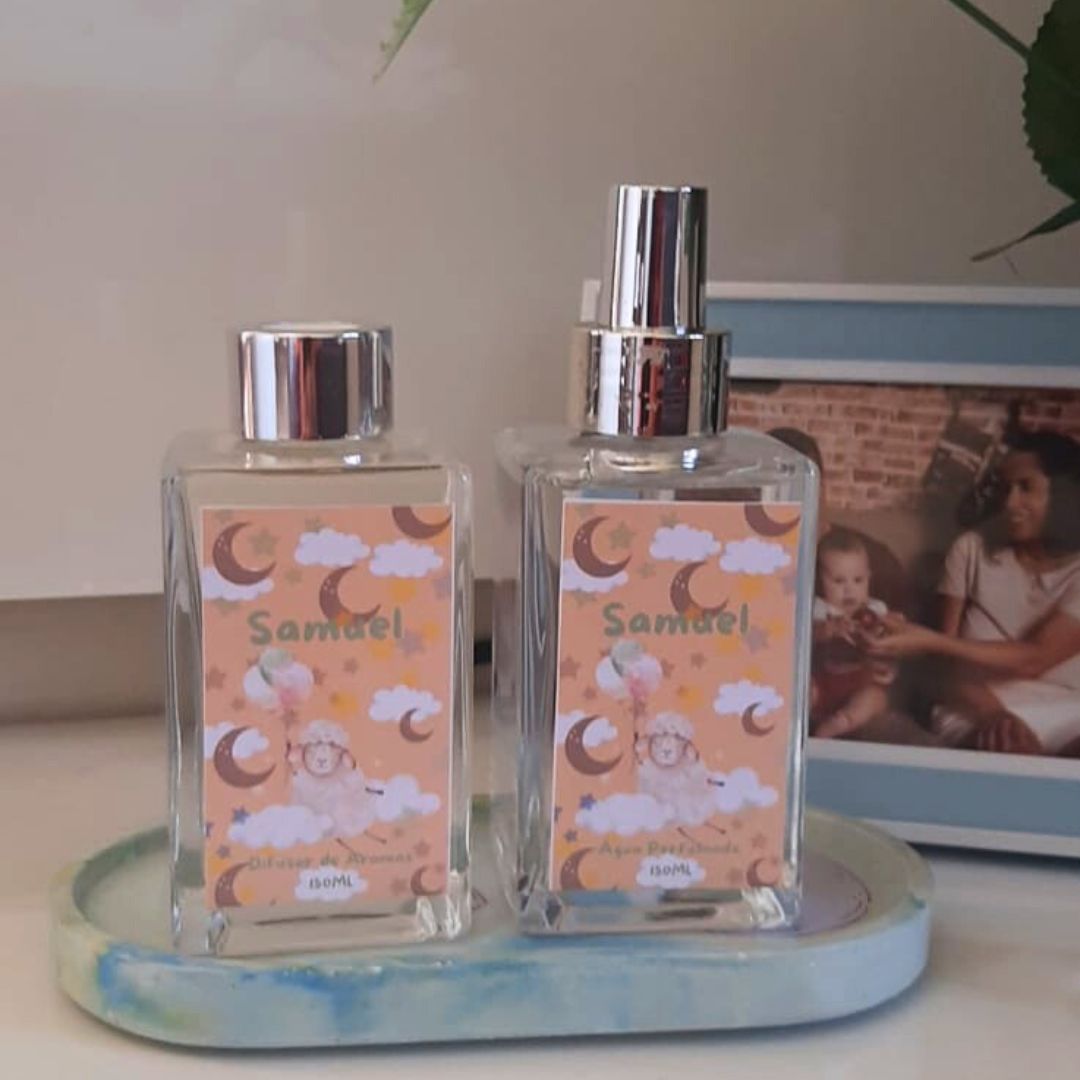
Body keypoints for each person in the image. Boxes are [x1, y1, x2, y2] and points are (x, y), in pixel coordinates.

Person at [870, 430, 1080, 756]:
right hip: (973, 704)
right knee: (1006, 752)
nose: (1009, 503)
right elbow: (945, 668)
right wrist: (993, 715)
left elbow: (1034, 658)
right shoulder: (970, 548)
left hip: (1067, 712)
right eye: (1005, 488)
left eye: (1026, 488)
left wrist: (928, 639)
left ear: (1064, 495)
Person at [767, 427, 909, 612]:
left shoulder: (876, 560)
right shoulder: (746, 558)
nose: (790, 495)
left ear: (822, 486)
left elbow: (902, 625)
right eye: (777, 485)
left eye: (802, 483)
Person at [811, 529, 898, 738]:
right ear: (819, 581)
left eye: (858, 580)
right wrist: (826, 629)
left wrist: (889, 663)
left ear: (869, 578)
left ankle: (840, 723)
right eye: (838, 581)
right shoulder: (819, 608)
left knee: (877, 698)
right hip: (822, 682)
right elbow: (803, 637)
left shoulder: (876, 610)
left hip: (861, 682)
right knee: (803, 690)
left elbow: (892, 646)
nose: (849, 590)